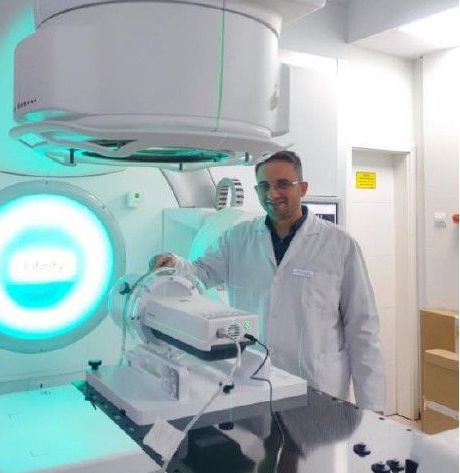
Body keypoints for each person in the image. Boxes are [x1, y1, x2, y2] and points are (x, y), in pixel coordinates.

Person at [150, 151, 386, 412]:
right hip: (254, 382)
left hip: (317, 385)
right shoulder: (238, 238)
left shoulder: (339, 245)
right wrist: (174, 264)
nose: (272, 194)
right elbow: (203, 272)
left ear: (303, 188)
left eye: (282, 184)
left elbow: (362, 329)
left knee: (317, 438)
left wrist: (372, 409)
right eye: (264, 186)